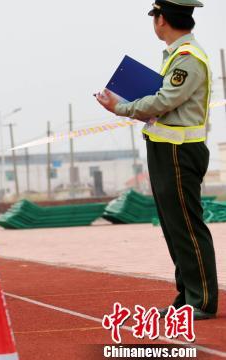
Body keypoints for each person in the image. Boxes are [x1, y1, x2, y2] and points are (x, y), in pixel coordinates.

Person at [96, 0, 218, 320]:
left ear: (162, 20)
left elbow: (164, 101)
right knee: (173, 227)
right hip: (165, 148)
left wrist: (120, 107)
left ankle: (202, 299)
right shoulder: (177, 56)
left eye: (156, 16)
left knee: (187, 227)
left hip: (179, 152)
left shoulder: (188, 59)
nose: (155, 22)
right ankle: (187, 293)